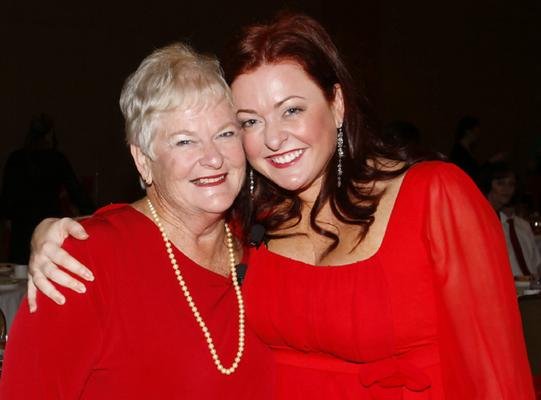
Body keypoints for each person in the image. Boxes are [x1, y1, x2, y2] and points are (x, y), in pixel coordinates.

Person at [24, 13, 535, 399]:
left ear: (336, 104)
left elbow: (496, 375)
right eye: (249, 121)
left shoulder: (435, 197)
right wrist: (51, 231)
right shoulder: (253, 225)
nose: (272, 138)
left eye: (291, 110)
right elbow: (157, 227)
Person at [0, 43, 275, 399]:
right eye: (184, 141)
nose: (213, 157)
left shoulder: (264, 246)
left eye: (225, 134)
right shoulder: (84, 263)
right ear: (143, 160)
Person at [0, 114, 94, 264]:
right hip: (48, 225)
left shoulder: (16, 158)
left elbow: (7, 195)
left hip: (21, 227)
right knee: (46, 267)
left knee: (20, 269)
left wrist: (8, 218)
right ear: (50, 135)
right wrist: (94, 214)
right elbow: (76, 192)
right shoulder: (57, 159)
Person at [479, 161, 541, 279]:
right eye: (500, 183)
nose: (507, 189)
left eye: (511, 184)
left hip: (530, 285)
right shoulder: (481, 222)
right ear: (488, 184)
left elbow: (536, 263)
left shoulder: (522, 225)